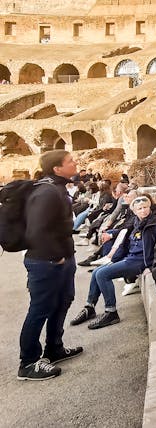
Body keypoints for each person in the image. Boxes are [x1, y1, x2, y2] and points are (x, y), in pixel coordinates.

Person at [18, 150, 82, 381]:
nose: (75, 163)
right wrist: (57, 257)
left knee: (63, 302)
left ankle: (54, 348)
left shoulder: (58, 188)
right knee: (40, 309)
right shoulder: (46, 192)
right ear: (57, 169)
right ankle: (28, 363)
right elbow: (36, 231)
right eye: (70, 161)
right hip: (46, 262)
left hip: (61, 259)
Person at [70, 196, 156, 329]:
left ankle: (111, 312)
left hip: (141, 261)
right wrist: (112, 248)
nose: (143, 210)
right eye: (139, 208)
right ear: (134, 211)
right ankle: (89, 307)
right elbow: (123, 234)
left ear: (150, 208)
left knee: (102, 275)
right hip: (130, 257)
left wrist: (151, 267)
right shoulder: (135, 222)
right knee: (97, 272)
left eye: (146, 207)